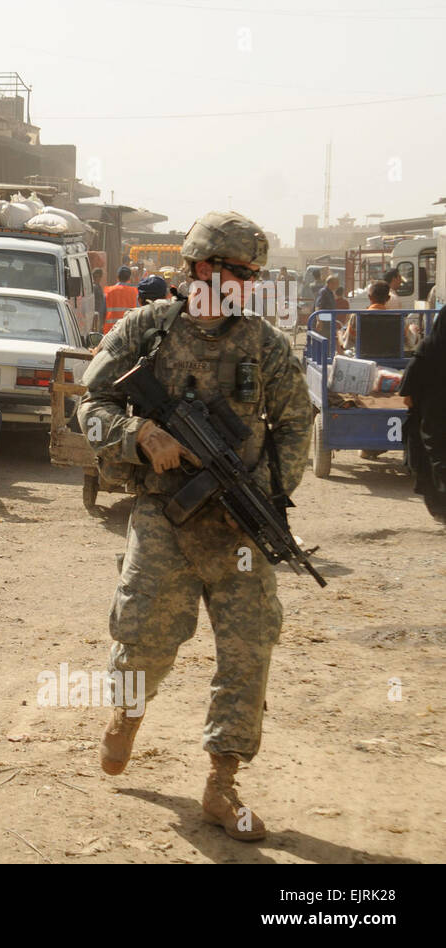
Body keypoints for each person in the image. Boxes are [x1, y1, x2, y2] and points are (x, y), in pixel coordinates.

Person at [77, 210, 311, 842]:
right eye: (240, 271)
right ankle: (127, 715)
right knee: (145, 640)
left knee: (248, 652)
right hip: (164, 517)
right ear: (203, 266)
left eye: (255, 274)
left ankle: (221, 782)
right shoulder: (147, 330)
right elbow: (90, 404)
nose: (249, 282)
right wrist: (138, 434)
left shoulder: (264, 344)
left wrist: (271, 492)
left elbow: (295, 421)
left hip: (238, 527)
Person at [401, 305, 446, 522]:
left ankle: (440, 507)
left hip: (431, 418)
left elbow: (407, 395)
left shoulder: (427, 349)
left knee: (433, 459)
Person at [103, 266, 139, 334]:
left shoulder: (108, 291)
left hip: (111, 331)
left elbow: (103, 312)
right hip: (128, 331)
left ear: (117, 277)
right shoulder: (134, 292)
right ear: (129, 278)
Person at [90, 267, 106, 333]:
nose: (99, 278)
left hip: (99, 313)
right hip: (95, 314)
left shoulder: (98, 286)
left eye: (100, 276)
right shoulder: (94, 287)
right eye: (97, 276)